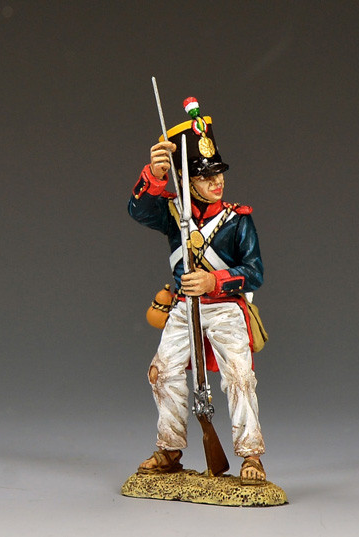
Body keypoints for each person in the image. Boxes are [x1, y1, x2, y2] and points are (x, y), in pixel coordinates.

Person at [128, 98, 267, 483]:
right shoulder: (174, 214)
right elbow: (138, 210)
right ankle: (170, 449)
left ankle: (251, 455)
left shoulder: (238, 220)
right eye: (206, 177)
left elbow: (254, 273)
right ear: (187, 181)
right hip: (183, 308)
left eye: (218, 173)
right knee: (162, 372)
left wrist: (213, 281)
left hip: (224, 307)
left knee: (239, 376)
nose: (217, 182)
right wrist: (155, 175)